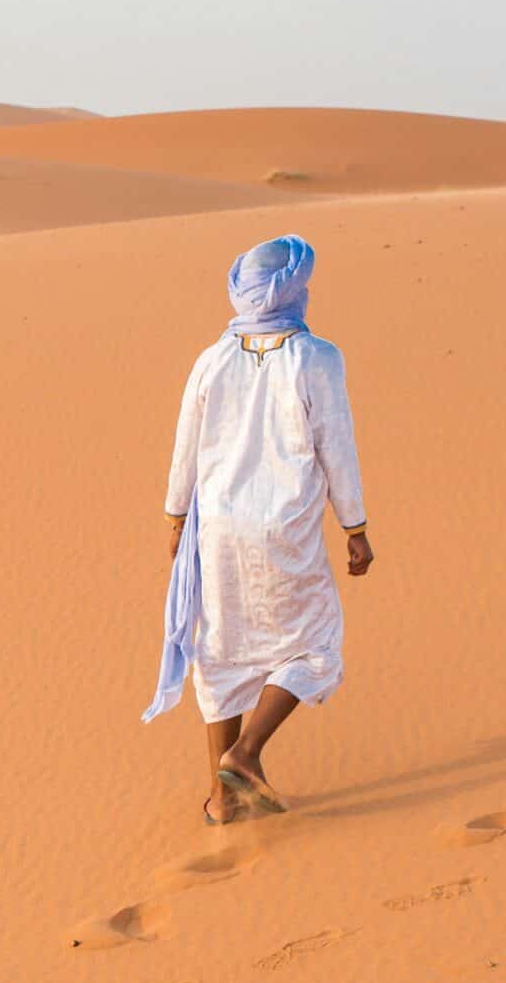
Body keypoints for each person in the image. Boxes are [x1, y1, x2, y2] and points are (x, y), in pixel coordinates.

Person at [144, 234, 373, 821]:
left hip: (216, 527)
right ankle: (245, 756)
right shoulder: (317, 357)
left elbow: (184, 448)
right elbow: (336, 448)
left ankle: (222, 799)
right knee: (315, 645)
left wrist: (175, 517)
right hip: (284, 525)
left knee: (221, 655)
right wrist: (355, 525)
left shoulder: (211, 358)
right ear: (293, 290)